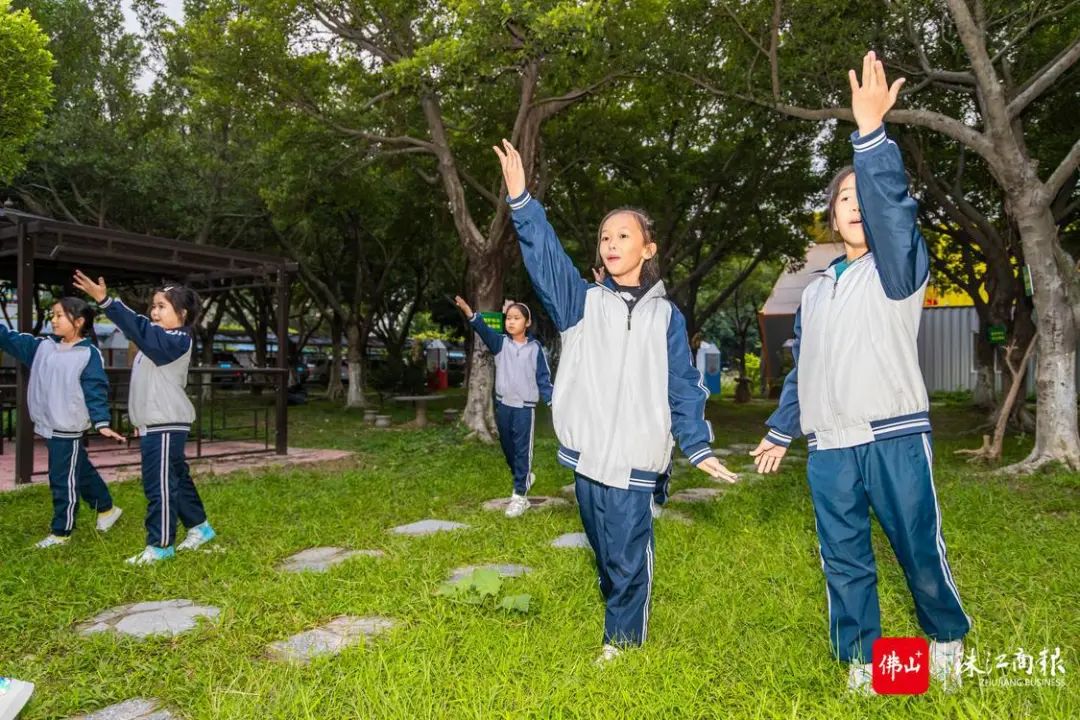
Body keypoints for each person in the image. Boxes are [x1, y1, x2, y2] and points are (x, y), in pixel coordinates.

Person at [750, 51, 971, 693]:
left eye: (861, 196)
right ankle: (863, 663)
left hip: (893, 436)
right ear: (831, 213)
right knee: (844, 561)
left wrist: (871, 138)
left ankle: (947, 643)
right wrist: (780, 428)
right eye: (842, 197)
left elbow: (894, 212)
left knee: (915, 550)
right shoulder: (816, 289)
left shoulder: (898, 272)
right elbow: (804, 369)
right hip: (829, 448)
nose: (854, 204)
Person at [493, 138, 737, 663]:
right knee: (604, 550)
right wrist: (521, 202)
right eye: (605, 235)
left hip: (634, 456)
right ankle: (618, 604)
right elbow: (547, 259)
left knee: (627, 550)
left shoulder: (666, 317)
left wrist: (697, 446)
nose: (611, 242)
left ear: (648, 249)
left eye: (623, 235)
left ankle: (622, 639)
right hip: (587, 456)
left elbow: (683, 385)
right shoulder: (579, 304)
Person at [73, 271, 217, 565]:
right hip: (156, 425)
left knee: (159, 484)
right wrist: (141, 423)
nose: (154, 311)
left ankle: (161, 545)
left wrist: (107, 302)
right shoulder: (157, 341)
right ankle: (200, 528)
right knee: (176, 478)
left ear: (182, 313)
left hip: (166, 424)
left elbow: (140, 331)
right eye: (153, 306)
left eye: (162, 306)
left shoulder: (177, 339)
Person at [0, 298, 125, 548]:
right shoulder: (43, 348)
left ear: (78, 322)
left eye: (59, 315)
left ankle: (61, 532)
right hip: (49, 424)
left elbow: (95, 389)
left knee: (62, 478)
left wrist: (101, 422)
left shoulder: (88, 354)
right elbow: (10, 339)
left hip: (67, 427)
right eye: (52, 315)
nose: (53, 320)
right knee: (80, 470)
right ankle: (107, 509)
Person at [455, 295, 553, 517]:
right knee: (508, 450)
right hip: (503, 407)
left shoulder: (536, 349)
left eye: (516, 318)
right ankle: (524, 477)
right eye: (508, 318)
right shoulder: (501, 344)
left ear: (527, 323)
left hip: (524, 409)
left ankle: (520, 497)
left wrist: (552, 400)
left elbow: (543, 379)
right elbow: (483, 329)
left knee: (521, 451)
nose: (510, 322)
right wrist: (470, 313)